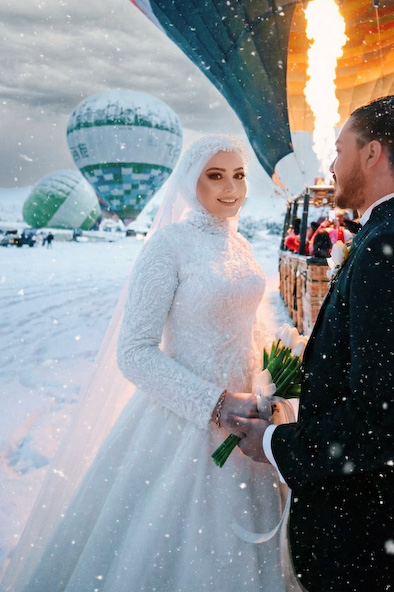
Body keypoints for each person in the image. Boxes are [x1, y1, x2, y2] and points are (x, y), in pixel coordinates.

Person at [1, 135, 286, 592]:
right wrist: (213, 403)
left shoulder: (243, 246)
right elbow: (134, 352)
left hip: (247, 429)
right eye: (215, 176)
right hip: (184, 425)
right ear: (189, 183)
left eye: (239, 175)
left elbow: (248, 326)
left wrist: (268, 383)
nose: (230, 187)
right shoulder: (168, 246)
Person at [236, 94, 394, 592]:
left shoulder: (392, 246)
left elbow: (382, 422)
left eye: (340, 150)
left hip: (370, 544)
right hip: (387, 526)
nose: (332, 165)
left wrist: (273, 443)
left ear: (373, 153)